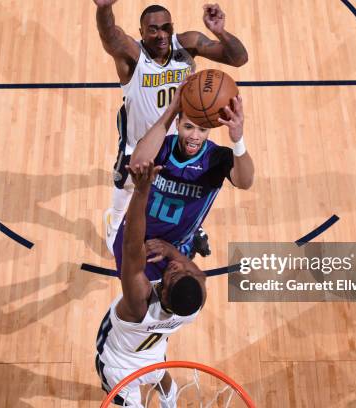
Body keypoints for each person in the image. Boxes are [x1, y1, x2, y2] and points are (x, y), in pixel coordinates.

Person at [93, 0, 249, 256]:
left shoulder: (187, 44)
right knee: (126, 183)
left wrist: (219, 31)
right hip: (140, 140)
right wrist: (104, 9)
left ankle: (191, 227)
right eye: (153, 29)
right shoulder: (133, 56)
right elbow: (110, 36)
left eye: (166, 27)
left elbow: (239, 59)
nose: (162, 34)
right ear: (141, 32)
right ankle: (115, 219)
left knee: (186, 188)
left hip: (180, 139)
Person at [110, 83, 254, 281]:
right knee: (132, 292)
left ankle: (193, 235)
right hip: (134, 236)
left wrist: (238, 140)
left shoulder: (216, 158)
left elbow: (245, 181)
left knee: (163, 300)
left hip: (173, 249)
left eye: (202, 129)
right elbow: (136, 164)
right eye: (188, 127)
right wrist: (171, 110)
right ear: (177, 124)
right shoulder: (162, 145)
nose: (194, 136)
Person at [95, 161, 207, 407]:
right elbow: (200, 277)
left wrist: (141, 191)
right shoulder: (191, 308)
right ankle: (170, 401)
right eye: (182, 271)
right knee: (162, 377)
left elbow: (131, 247)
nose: (177, 268)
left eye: (173, 275)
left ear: (164, 293)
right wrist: (172, 252)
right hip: (153, 352)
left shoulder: (139, 303)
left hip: (119, 363)